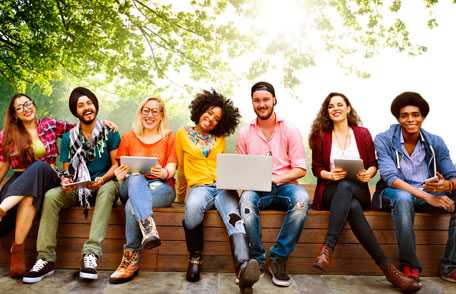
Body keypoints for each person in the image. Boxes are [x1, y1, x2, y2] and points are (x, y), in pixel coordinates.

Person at [308, 92, 421, 292]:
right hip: (331, 191)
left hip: (358, 188)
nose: (335, 108)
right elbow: (316, 168)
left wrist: (368, 173)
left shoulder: (362, 133)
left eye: (340, 104)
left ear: (348, 108)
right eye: (331, 106)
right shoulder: (321, 136)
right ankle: (391, 272)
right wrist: (329, 174)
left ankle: (328, 248)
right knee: (348, 200)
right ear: (327, 111)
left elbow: (372, 164)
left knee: (348, 190)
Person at [22, 87, 121, 283]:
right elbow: (69, 171)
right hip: (80, 188)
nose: (86, 108)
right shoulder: (69, 138)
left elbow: (116, 165)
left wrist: (102, 179)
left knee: (109, 188)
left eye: (89, 103)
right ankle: (45, 258)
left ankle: (91, 254)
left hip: (105, 183)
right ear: (76, 111)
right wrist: (67, 182)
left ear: (95, 105)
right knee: (51, 196)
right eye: (81, 105)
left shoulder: (110, 132)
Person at [177, 89, 260, 294]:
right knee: (193, 209)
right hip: (199, 187)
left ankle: (242, 268)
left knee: (234, 217)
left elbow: (224, 165)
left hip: (223, 187)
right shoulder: (182, 134)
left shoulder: (220, 138)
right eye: (209, 112)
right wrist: (180, 197)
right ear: (201, 110)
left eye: (217, 118)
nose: (211, 118)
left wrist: (235, 182)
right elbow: (180, 168)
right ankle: (194, 258)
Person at [374, 92, 456, 283]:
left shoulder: (435, 141)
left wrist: (446, 184)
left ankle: (450, 266)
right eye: (405, 115)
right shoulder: (384, 139)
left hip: (427, 192)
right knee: (403, 198)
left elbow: (452, 174)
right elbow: (390, 178)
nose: (410, 119)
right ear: (398, 118)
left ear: (423, 117)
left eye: (415, 114)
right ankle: (409, 265)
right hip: (393, 193)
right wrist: (428, 198)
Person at [238, 81, 309, 287]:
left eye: (266, 99)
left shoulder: (290, 130)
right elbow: (242, 169)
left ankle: (277, 258)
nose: (261, 104)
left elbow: (300, 169)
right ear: (252, 103)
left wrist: (276, 178)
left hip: (285, 186)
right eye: (257, 100)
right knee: (246, 202)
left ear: (274, 100)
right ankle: (257, 261)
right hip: (258, 189)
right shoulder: (245, 133)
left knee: (302, 200)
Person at [0, 94, 75, 278]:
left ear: (34, 104)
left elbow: (79, 127)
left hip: (49, 175)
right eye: (20, 107)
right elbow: (3, 166)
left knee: (39, 166)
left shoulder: (49, 124)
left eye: (28, 103)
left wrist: (103, 123)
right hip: (20, 181)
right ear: (15, 115)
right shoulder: (6, 135)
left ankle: (2, 208)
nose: (26, 108)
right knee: (29, 195)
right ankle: (17, 250)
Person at [109, 97, 177, 284]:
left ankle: (130, 260)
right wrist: (120, 174)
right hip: (130, 186)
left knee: (133, 204)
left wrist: (164, 172)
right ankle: (148, 227)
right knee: (136, 177)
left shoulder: (169, 136)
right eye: (146, 110)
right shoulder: (128, 137)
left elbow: (172, 165)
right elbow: (118, 167)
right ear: (140, 113)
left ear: (162, 114)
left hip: (161, 188)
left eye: (155, 111)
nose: (150, 115)